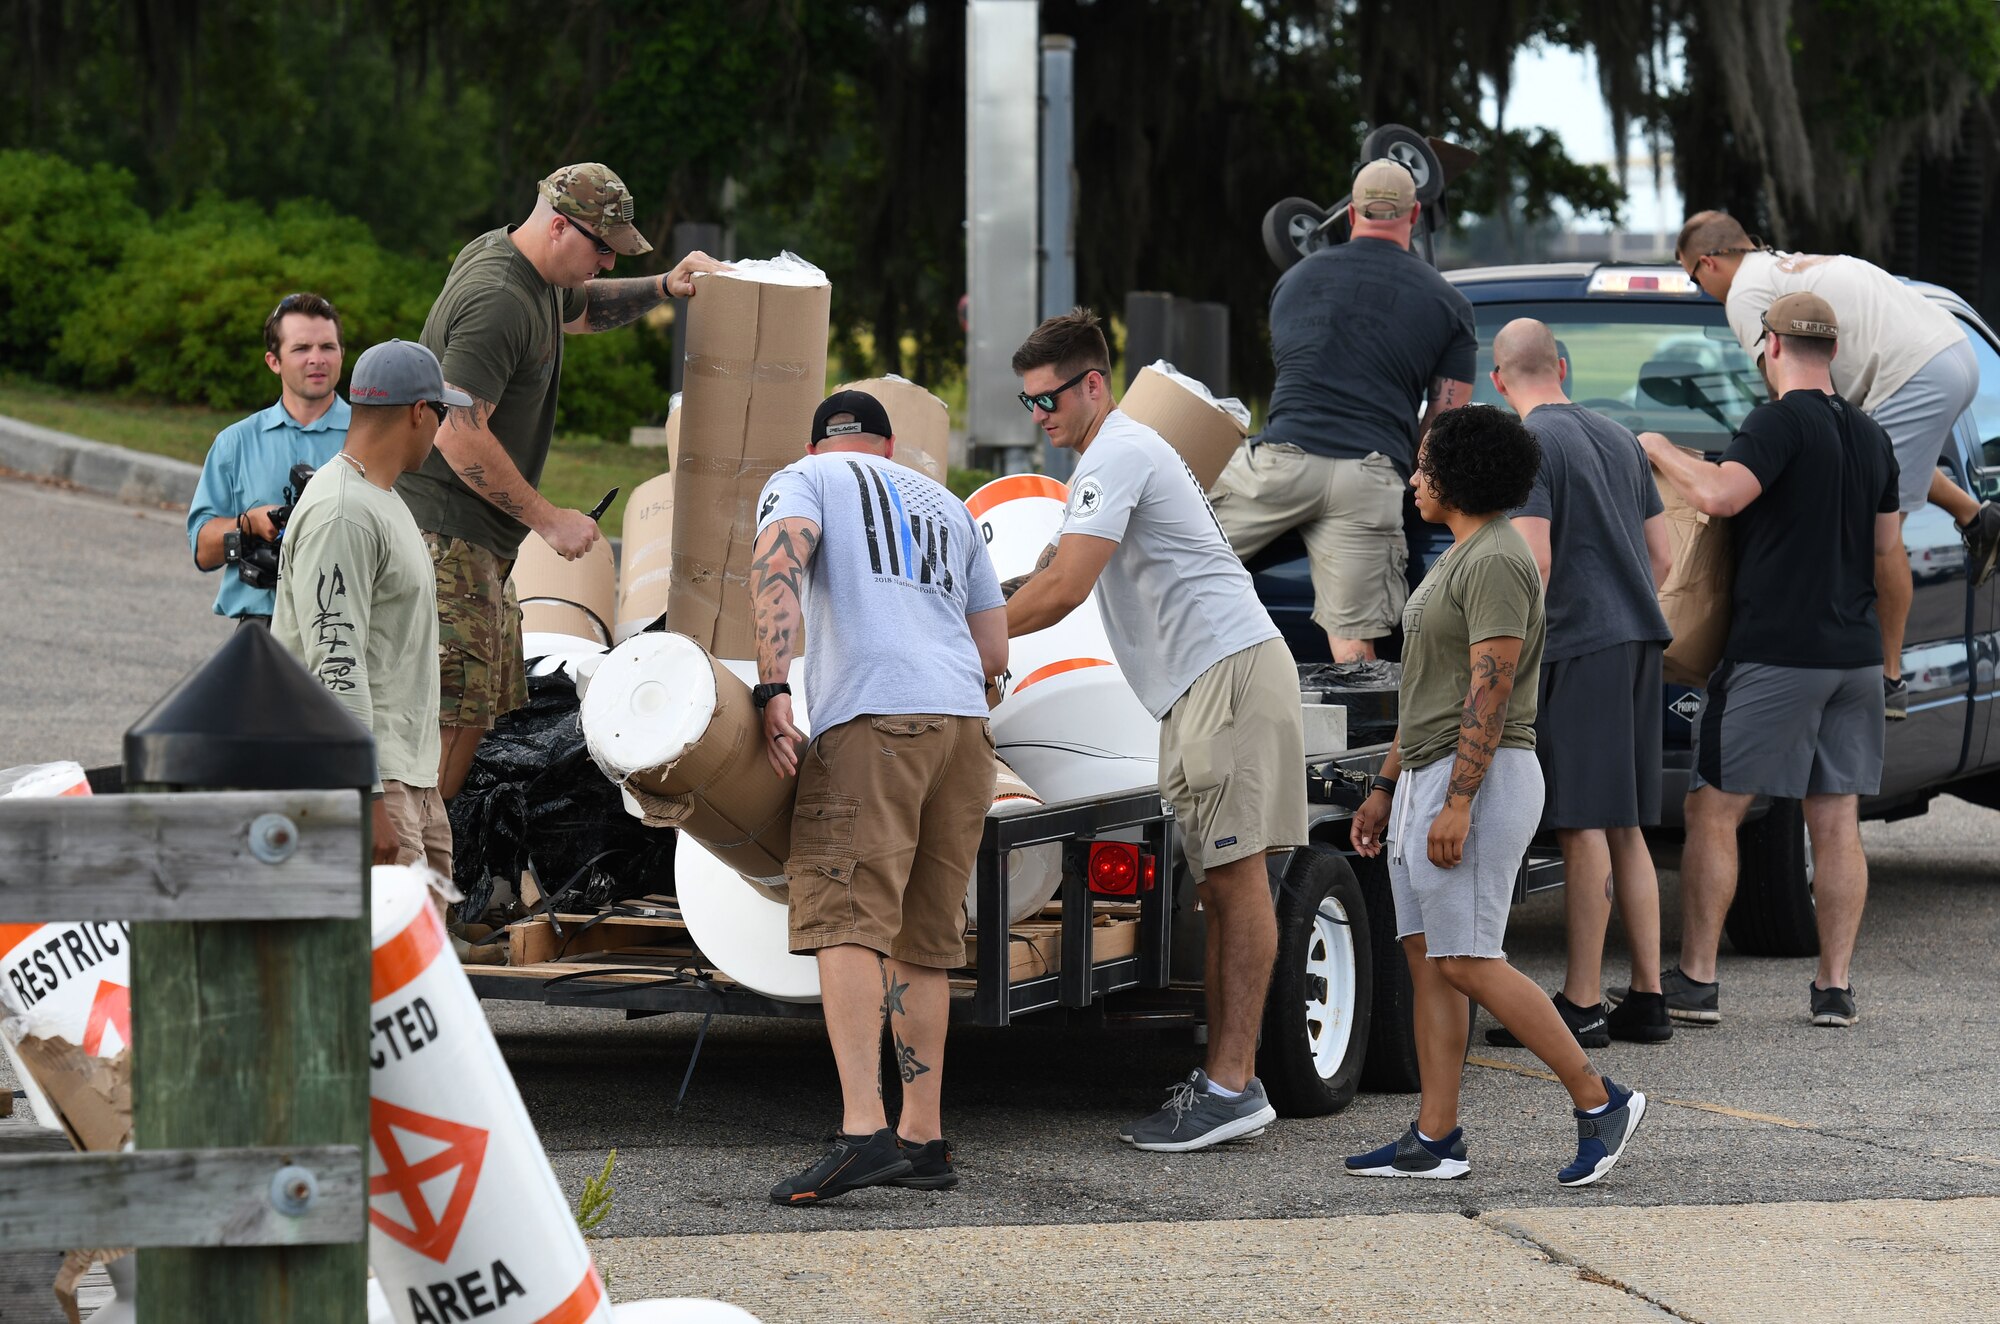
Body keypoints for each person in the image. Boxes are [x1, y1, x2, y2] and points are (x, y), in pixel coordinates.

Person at [1005, 309, 1306, 1152]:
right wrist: (975, 602)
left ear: (1093, 383)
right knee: (1217, 885)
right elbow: (1042, 571)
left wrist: (968, 635)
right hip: (1198, 688)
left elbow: (1064, 588)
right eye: (1028, 404)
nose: (1040, 417)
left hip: (1227, 676)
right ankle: (1221, 1080)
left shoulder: (1121, 450)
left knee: (1238, 884)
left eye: (1048, 400)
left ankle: (1234, 1088)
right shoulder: (1113, 456)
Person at [1347, 406, 1647, 1187]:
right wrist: (1388, 787)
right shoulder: (1462, 554)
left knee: (1471, 961)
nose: (1414, 478)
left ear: (1455, 474)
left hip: (1476, 778)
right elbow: (1430, 692)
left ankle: (1598, 1100)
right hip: (1426, 775)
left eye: (1423, 465)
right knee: (1429, 962)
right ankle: (1435, 1136)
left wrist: (1457, 801)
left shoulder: (1499, 560)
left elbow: (1491, 686)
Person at [397, 163, 729, 800]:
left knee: (476, 710)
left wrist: (665, 284)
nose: (605, 264)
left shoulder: (539, 275)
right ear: (558, 227)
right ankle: (405, 878)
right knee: (444, 717)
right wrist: (548, 519)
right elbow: (455, 431)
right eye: (602, 248)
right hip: (444, 535)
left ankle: (431, 864)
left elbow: (582, 310)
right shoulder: (498, 297)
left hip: (478, 542)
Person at [752, 390, 1008, 1205]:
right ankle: (922, 1139)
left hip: (872, 717)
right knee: (924, 939)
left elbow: (780, 563)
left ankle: (862, 1131)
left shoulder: (805, 479)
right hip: (963, 731)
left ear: (817, 441)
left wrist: (771, 687)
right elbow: (993, 645)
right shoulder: (949, 505)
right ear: (888, 447)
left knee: (846, 918)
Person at [1638, 293, 1899, 1029]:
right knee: (1836, 818)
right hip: (1854, 656)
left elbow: (1721, 496)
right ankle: (1834, 989)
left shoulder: (1778, 422)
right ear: (1832, 351)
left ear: (1771, 347)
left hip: (1778, 655)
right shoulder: (1872, 437)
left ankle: (1696, 978)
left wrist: (1657, 447)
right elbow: (1885, 550)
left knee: (1713, 809)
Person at [1675, 209, 2000, 719]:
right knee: (1874, 462)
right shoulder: (1779, 265)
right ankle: (1977, 518)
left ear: (1709, 262)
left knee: (1878, 528)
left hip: (1915, 373)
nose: (1699, 289)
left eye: (1693, 276)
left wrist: (1768, 460)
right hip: (1951, 352)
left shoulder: (1743, 295)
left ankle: (1888, 679)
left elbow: (1785, 394)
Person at [1484, 318, 1675, 1048]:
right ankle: (1649, 997)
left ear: (1500, 381)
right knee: (1626, 823)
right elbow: (1661, 557)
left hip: (1581, 644)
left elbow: (1534, 562)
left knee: (1582, 822)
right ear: (1560, 365)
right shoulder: (1621, 438)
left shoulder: (1530, 447)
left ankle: (1583, 1002)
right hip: (1638, 640)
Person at [1210, 158, 1476, 662]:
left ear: (1351, 215)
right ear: (1415, 214)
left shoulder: (1296, 280)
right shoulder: (1448, 303)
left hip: (1280, 464)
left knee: (1178, 555)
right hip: (1369, 478)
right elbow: (1444, 422)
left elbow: (1293, 368)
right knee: (1355, 644)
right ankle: (1359, 735)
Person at [273, 341, 466, 878]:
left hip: (409, 776)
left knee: (426, 953)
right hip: (373, 777)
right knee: (381, 957)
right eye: (442, 413)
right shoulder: (343, 513)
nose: (440, 430)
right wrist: (366, 794)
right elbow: (334, 662)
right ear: (418, 412)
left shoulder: (382, 498)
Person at [187, 292, 350, 627]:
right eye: (302, 348)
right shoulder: (236, 442)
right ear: (273, 361)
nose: (317, 359)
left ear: (342, 355)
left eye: (327, 347)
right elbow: (203, 551)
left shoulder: (369, 438)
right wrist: (248, 524)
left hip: (347, 629)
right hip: (263, 626)